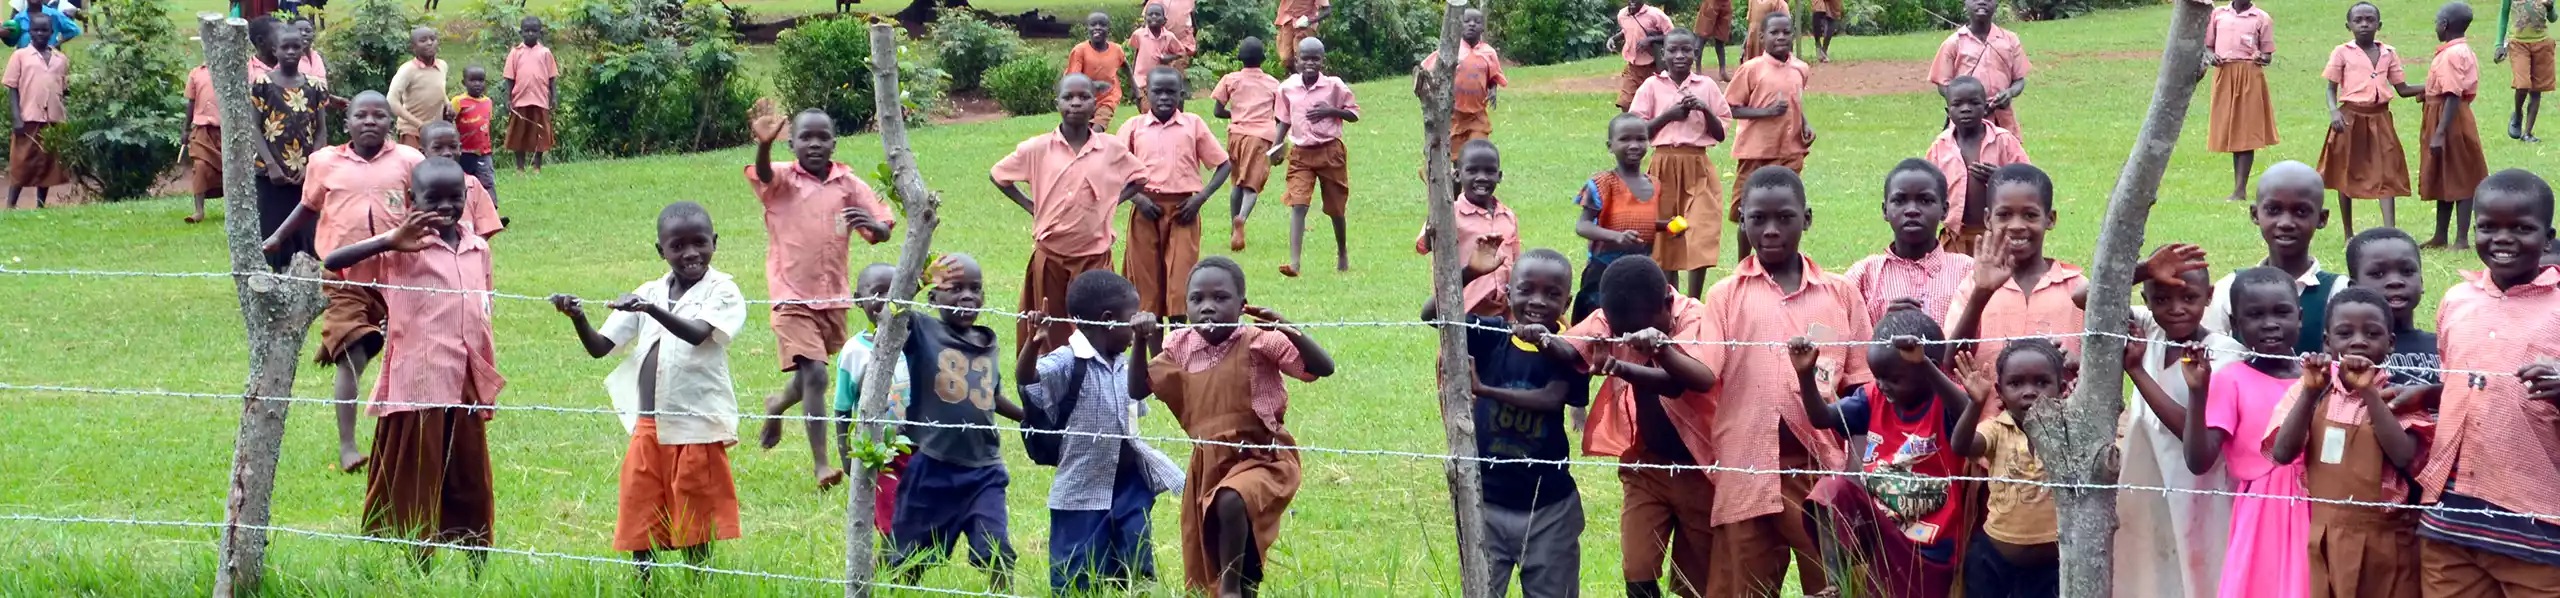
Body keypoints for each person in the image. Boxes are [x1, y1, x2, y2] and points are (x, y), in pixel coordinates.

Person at [547, 201, 746, 584]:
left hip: (695, 425)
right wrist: (579, 317)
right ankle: (644, 586)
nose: (690, 253)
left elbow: (698, 333)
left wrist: (651, 309)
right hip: (648, 425)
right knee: (641, 509)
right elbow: (600, 347)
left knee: (695, 515)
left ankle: (697, 584)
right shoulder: (650, 291)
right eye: (677, 246)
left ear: (715, 242)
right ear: (661, 250)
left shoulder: (723, 290)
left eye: (699, 243)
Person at [320, 158, 501, 571]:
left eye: (454, 198)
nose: (445, 207)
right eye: (431, 199)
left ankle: (477, 561)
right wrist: (389, 241)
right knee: (417, 483)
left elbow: (484, 307)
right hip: (417, 385)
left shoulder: (479, 248)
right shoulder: (399, 247)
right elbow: (334, 261)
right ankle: (419, 564)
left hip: (466, 383)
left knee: (470, 479)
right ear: (411, 200)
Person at [1696, 166, 1866, 598]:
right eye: (1758, 219)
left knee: (1836, 581)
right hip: (1747, 467)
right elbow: (1704, 371)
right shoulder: (1725, 295)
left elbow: (1861, 386)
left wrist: (1856, 467)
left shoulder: (1839, 294)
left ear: (1806, 218)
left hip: (1821, 469)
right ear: (1742, 219)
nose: (1771, 230)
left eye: (1785, 218)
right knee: (1743, 586)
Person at [1130, 256, 1337, 597]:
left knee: (1231, 499)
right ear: (1186, 305)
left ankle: (1229, 591)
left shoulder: (1258, 340)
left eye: (1220, 299)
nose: (1208, 308)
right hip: (1209, 462)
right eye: (1197, 300)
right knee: (1227, 541)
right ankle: (1241, 589)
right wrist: (1140, 340)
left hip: (1263, 456)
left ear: (1242, 305)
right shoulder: (1179, 347)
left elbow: (1322, 367)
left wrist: (1286, 327)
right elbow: (1139, 388)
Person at [2413, 169, 2560, 596]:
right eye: (2488, 226)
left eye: (2521, 228)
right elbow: (2454, 380)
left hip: (2540, 525)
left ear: (2547, 238)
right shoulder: (2456, 301)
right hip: (2450, 522)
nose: (2502, 238)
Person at [262, 91, 423, 474]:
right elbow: (308, 206)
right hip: (343, 278)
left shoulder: (409, 160)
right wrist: (278, 238)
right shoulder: (325, 162)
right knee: (355, 355)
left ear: (390, 123)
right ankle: (348, 445)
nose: (370, 122)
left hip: (400, 275)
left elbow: (423, 206)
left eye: (379, 116)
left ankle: (406, 437)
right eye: (361, 115)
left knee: (410, 356)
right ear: (346, 122)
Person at [745, 105, 896, 491]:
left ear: (834, 142)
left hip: (833, 297)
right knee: (816, 373)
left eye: (822, 137)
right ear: (791, 142)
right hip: (789, 296)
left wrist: (877, 226)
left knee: (806, 377)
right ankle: (822, 465)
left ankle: (777, 405)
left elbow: (881, 226)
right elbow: (762, 174)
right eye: (805, 137)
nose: (814, 144)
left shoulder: (847, 183)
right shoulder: (782, 178)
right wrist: (763, 146)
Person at [1550, 255, 1717, 598]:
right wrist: (1542, 338)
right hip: (1646, 468)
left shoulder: (1695, 318)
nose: (1627, 337)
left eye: (1636, 331)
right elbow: (1572, 348)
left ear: (1667, 303)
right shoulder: (1614, 317)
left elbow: (1679, 383)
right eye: (1620, 331)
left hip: (1702, 470)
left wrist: (1622, 366)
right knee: (1637, 570)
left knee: (1697, 582)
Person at [1021, 270, 1184, 593]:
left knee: (1136, 564)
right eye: (1131, 318)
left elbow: (1139, 394)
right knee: (1076, 575)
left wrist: (1141, 340)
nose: (1136, 322)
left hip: (1130, 485)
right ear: (1109, 320)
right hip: (1082, 487)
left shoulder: (1124, 362)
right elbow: (1029, 383)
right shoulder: (1068, 360)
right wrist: (1031, 345)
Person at [1436, 248, 1585, 598]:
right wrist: (1469, 273)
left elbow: (1552, 398)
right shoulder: (1492, 335)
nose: (1538, 301)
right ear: (1507, 292)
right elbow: (1436, 315)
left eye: (1552, 294)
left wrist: (1485, 390)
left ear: (1568, 301)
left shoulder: (1570, 349)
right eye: (1526, 290)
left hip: (1548, 507)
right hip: (1485, 501)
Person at [2266, 288, 2431, 598]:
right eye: (2345, 333)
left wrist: (2369, 392)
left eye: (2372, 333)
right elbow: (2282, 453)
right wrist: (2309, 393)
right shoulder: (2313, 392)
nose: (2359, 341)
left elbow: (2404, 456)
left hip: (2387, 542)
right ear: (2327, 341)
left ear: (2390, 343)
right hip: (2326, 536)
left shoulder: (2401, 395)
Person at [1800, 308, 1976, 598]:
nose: (1882, 385)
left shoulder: (1946, 403)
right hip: (1881, 531)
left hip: (1931, 545)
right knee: (1830, 490)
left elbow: (1967, 410)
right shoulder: (1873, 397)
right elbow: (1822, 417)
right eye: (1878, 376)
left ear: (1927, 368)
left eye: (1893, 378)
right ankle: (1835, 585)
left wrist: (1929, 369)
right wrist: (1805, 374)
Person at [885, 253, 1025, 590]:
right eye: (955, 288)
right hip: (933, 464)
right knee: (910, 553)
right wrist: (918, 280)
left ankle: (1002, 593)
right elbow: (887, 314)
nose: (968, 296)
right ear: (933, 297)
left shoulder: (986, 341)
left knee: (997, 548)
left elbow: (989, 395)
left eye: (976, 289)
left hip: (984, 468)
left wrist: (1028, 417)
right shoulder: (921, 329)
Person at [2114, 243, 2241, 598]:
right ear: (2147, 298)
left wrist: (2137, 372)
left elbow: (2192, 432)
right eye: (2161, 299)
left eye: (2189, 298)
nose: (2176, 310)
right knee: (2147, 573)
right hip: (2145, 481)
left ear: (2209, 297)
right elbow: (2085, 297)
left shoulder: (2224, 353)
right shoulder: (2150, 330)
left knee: (2199, 575)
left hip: (2200, 492)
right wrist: (2145, 268)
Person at [991, 73, 1147, 360]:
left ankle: (1096, 376)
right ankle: (1051, 381)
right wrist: (1030, 205)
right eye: (1068, 97)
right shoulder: (1037, 148)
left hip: (1094, 256)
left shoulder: (1110, 148)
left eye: (1084, 97)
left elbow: (1140, 177)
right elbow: (999, 175)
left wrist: (1112, 202)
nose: (1076, 103)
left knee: (1098, 325)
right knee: (1048, 325)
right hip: (1051, 255)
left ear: (1095, 103)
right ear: (1057, 103)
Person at [2183, 266, 2312, 598]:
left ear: (2299, 317)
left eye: (2281, 312)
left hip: (2322, 502)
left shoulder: (2322, 376)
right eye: (2255, 315)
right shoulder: (2231, 380)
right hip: (2263, 512)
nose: (2270, 323)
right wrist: (2199, 393)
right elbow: (2199, 461)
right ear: (2236, 326)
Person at [1949, 338, 2066, 598]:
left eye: (2042, 382)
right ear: (1999, 391)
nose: (2029, 391)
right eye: (2016, 383)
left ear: (2062, 388)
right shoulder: (1997, 428)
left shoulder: (2068, 431)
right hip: (1995, 560)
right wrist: (1976, 404)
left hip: (2053, 567)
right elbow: (1962, 447)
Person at [1119, 66, 1233, 322]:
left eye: (1171, 92)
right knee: (1146, 280)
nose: (1164, 98)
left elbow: (1224, 165)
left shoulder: (1192, 125)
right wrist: (1138, 198)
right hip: (1146, 210)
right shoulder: (1134, 127)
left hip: (1184, 210)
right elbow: (1112, 168)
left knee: (1181, 277)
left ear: (1181, 95)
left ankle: (1179, 345)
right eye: (1157, 92)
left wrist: (1199, 199)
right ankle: (1155, 350)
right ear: (1146, 93)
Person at [1626, 30, 1731, 297]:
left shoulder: (1706, 86)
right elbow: (1638, 132)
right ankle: (1671, 299)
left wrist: (1704, 109)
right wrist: (1669, 115)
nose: (1680, 56)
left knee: (1700, 229)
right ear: (1664, 54)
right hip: (1663, 167)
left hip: (1697, 166)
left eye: (1687, 50)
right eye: (1673, 50)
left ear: (1695, 53)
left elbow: (1720, 133)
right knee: (1668, 232)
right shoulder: (1651, 86)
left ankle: (1694, 301)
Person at [1948, 163, 2087, 364]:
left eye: (2030, 215)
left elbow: (2103, 364)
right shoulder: (1972, 285)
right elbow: (1950, 362)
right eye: (2004, 215)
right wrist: (1981, 293)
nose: (2016, 226)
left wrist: (2077, 365)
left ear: (2050, 219)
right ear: (1988, 219)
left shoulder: (2077, 288)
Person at [2202, 162, 2345, 354]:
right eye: (2274, 210)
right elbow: (2211, 355)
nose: (2286, 223)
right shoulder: (2229, 289)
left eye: (2301, 212)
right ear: (2255, 214)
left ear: (2322, 218)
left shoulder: (2338, 292)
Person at [2318, 2, 2426, 236]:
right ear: (2349, 25)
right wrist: (2333, 111)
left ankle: (2390, 230)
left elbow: (2403, 88)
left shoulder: (2388, 53)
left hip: (2380, 118)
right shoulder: (2342, 52)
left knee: (2386, 168)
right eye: (2358, 20)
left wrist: (2433, 87)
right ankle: (2349, 232)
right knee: (2346, 171)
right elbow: (2330, 89)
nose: (2364, 24)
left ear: (2379, 24)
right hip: (2350, 118)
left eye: (2370, 19)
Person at [1725, 12, 1815, 262]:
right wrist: (1766, 113)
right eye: (1774, 33)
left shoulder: (1800, 68)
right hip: (1756, 152)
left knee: (1786, 210)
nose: (1781, 37)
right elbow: (1730, 107)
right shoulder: (1751, 69)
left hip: (1790, 151)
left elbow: (1796, 102)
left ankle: (1785, 261)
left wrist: (1805, 125)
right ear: (1762, 37)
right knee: (1747, 211)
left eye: (1786, 32)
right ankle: (1743, 264)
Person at [1845, 159, 1976, 325]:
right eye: (1900, 201)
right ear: (1885, 210)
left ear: (1944, 210)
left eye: (1925, 200)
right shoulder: (1863, 276)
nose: (1912, 210)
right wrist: (1884, 329)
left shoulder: (1968, 272)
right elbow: (1837, 336)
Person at [1271, 37, 1359, 278]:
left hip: (1330, 151)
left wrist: (1331, 111)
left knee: (1335, 207)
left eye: (1315, 59)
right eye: (1305, 58)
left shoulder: (1334, 86)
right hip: (1300, 154)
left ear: (1323, 61)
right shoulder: (1287, 88)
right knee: (1298, 204)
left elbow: (1353, 115)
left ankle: (1342, 252)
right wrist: (1276, 145)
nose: (1310, 63)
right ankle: (1294, 263)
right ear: (1297, 60)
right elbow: (1284, 120)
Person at [832, 263, 911, 530]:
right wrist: (846, 455)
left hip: (916, 446)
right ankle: (889, 564)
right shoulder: (854, 351)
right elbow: (842, 408)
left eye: (894, 293)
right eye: (878, 293)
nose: (886, 301)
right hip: (877, 449)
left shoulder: (916, 341)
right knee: (890, 519)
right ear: (858, 300)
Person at [1569, 114, 1664, 325]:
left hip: (1640, 268)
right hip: (1603, 269)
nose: (1634, 145)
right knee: (1598, 322)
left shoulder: (1654, 184)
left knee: (1637, 320)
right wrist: (1616, 237)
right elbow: (1582, 225)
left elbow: (1639, 222)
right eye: (1625, 139)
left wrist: (1665, 227)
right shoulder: (1602, 184)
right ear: (1610, 146)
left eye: (1640, 139)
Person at [1925, 75, 2031, 257]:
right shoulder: (1940, 147)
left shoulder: (2003, 141)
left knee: (1999, 283)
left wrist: (2002, 177)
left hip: (1998, 236)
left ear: (1985, 107)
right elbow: (1926, 188)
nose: (1966, 109)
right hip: (1955, 238)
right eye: (1958, 105)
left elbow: (2030, 181)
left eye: (1974, 103)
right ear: (1948, 110)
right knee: (1957, 284)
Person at [1415, 139, 1518, 318]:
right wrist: (1440, 211)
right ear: (1457, 175)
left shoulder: (1508, 216)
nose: (1481, 177)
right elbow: (1425, 245)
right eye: (1472, 170)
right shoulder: (1450, 213)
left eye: (1489, 171)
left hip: (1502, 313)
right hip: (1463, 309)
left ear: (1499, 176)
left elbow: (1516, 262)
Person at [2421, 2, 2489, 251]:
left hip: (2449, 118)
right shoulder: (2459, 50)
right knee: (2444, 173)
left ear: (2444, 25)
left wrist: (2439, 133)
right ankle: (2440, 235)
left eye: (2437, 21)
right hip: (2443, 113)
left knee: (2460, 174)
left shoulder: (2451, 55)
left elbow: (2452, 94)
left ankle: (2461, 239)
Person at [2342, 228, 2440, 389]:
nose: (2395, 281)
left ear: (2421, 282)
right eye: (2378, 274)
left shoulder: (2441, 346)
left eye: (2407, 271)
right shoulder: (2348, 350)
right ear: (2354, 288)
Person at [2205, 0, 2279, 204]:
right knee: (2229, 127)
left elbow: (2267, 56)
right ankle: (2238, 188)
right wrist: (2212, 57)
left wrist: (2260, 57)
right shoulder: (2218, 15)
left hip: (2249, 75)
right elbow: (2208, 46)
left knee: (2246, 131)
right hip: (2224, 74)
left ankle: (2240, 190)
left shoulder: (2261, 18)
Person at [1212, 37, 1280, 252]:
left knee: (1236, 183)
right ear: (1262, 59)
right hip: (1261, 137)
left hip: (1236, 135)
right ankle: (1241, 218)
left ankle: (1234, 227)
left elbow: (1217, 110)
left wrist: (1238, 114)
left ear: (1240, 58)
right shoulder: (1273, 83)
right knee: (1252, 185)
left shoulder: (1230, 79)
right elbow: (1281, 116)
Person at [1930, 0, 2032, 133]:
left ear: (1996, 3)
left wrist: (2009, 93)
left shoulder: (2010, 40)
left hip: (2002, 120)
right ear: (1965, 3)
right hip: (1966, 122)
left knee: (2006, 151)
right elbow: (1943, 85)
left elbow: (2019, 79)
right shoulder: (1953, 43)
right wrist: (1966, 104)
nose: (1982, 2)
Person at [1417, 8, 1506, 155]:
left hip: (1477, 114)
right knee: (1455, 154)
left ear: (1483, 27)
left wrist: (1493, 90)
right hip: (1453, 114)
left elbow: (1492, 77)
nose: (1472, 24)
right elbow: (1427, 69)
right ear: (1459, 25)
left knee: (1478, 150)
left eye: (1477, 22)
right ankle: (1447, 174)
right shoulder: (1450, 50)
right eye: (1467, 21)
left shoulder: (1488, 53)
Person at [3, 11, 65, 209]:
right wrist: (16, 118)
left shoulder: (60, 58)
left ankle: (41, 204)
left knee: (47, 162)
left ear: (51, 32)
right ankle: (11, 205)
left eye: (44, 30)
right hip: (27, 117)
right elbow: (12, 88)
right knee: (21, 162)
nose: (40, 34)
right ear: (29, 32)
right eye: (36, 30)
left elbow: (64, 89)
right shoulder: (20, 56)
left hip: (53, 118)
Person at [416, 121, 504, 240]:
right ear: (423, 152)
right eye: (437, 148)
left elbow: (485, 228)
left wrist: (470, 251)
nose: (447, 153)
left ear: (460, 149)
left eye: (453, 147)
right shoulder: (418, 184)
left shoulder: (472, 184)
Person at [503, 16, 556, 175]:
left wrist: (554, 97)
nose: (530, 34)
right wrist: (508, 98)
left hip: (540, 100)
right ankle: (520, 167)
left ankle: (537, 166)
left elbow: (552, 77)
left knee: (540, 133)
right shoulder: (515, 53)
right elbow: (509, 78)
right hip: (520, 100)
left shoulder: (545, 53)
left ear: (540, 33)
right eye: (527, 31)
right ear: (521, 32)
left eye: (534, 31)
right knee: (519, 134)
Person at [2499, 0, 2553, 142]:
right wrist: (2499, 44)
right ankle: (2517, 114)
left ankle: (2527, 133)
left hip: (2542, 44)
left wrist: (2550, 7)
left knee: (2537, 89)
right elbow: (2504, 14)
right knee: (2522, 84)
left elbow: (2553, 18)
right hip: (2518, 44)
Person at [385, 26, 447, 148]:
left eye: (432, 39)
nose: (429, 43)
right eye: (423, 40)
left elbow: (440, 89)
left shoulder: (442, 66)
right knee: (414, 164)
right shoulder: (408, 70)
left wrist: (447, 103)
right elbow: (391, 101)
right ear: (413, 47)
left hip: (435, 130)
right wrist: (420, 125)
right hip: (412, 131)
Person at [1066, 12, 1128, 127]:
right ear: (1087, 29)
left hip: (1108, 98)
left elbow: (1125, 64)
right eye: (1093, 25)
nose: (1097, 28)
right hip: (1083, 98)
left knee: (1098, 126)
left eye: (1102, 25)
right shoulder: (1080, 50)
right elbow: (1073, 80)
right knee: (1082, 130)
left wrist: (1136, 90)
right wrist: (1094, 85)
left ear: (1109, 29)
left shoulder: (1116, 50)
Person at [1129, 4, 1191, 115]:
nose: (1153, 17)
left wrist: (1168, 58)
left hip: (1160, 80)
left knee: (1159, 110)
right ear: (1145, 18)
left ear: (1164, 19)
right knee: (1147, 110)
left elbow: (1181, 53)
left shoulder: (1169, 37)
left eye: (1157, 14)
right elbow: (1136, 53)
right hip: (1141, 79)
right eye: (1150, 14)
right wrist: (1133, 79)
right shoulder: (1138, 35)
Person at [449, 66, 498, 201]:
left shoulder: (488, 102)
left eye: (481, 80)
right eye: (473, 80)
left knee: (487, 183)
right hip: (464, 151)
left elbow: (487, 125)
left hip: (483, 152)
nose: (477, 84)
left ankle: (491, 213)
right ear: (464, 82)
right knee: (463, 183)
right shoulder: (458, 101)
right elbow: (448, 121)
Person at [1613, 0, 1673, 110]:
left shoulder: (1655, 14)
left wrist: (1651, 39)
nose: (1632, 2)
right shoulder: (1622, 15)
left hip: (1654, 67)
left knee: (1656, 104)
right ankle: (1629, 126)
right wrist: (1613, 39)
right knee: (1625, 103)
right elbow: (1626, 30)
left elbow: (1672, 35)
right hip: (1633, 67)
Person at [182, 61, 220, 224]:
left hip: (226, 131)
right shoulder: (196, 73)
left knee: (232, 170)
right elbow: (191, 103)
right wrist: (185, 129)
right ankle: (199, 211)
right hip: (202, 131)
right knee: (200, 166)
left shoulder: (232, 71)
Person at [1273, 0, 1329, 68]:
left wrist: (1309, 21)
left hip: (1306, 25)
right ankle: (1295, 75)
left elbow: (1327, 11)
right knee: (1286, 58)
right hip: (1288, 22)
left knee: (1301, 54)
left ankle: (1305, 75)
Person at [6, 0, 76, 48]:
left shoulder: (53, 14)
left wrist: (57, 44)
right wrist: (4, 34)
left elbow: (73, 30)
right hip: (24, 61)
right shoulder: (19, 17)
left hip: (47, 59)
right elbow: (12, 42)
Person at [1694, 0, 1733, 80]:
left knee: (1719, 38)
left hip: (1724, 3)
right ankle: (1698, 70)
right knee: (1703, 35)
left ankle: (1722, 71)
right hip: (1715, 3)